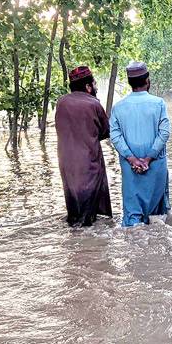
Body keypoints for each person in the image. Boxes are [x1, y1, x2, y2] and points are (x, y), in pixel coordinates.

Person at [110, 61, 171, 226]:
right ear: (147, 80)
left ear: (130, 83)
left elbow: (115, 136)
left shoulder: (118, 107)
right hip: (155, 165)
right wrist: (148, 158)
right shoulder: (158, 103)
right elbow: (164, 133)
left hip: (131, 169)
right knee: (157, 218)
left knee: (132, 218)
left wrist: (132, 159)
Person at [55, 65, 112, 227]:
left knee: (74, 209)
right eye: (94, 83)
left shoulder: (61, 102)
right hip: (89, 163)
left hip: (66, 164)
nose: (96, 87)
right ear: (88, 87)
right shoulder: (93, 104)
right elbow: (105, 131)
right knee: (88, 215)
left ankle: (76, 243)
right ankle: (88, 246)